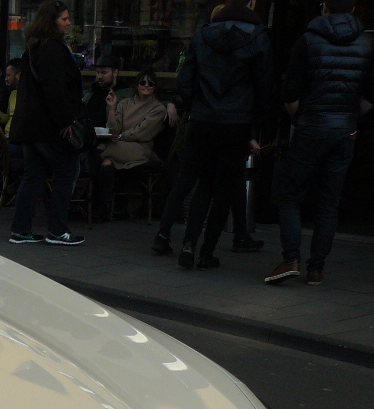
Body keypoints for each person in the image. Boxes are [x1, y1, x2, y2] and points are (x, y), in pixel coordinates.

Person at [265, 0, 374, 287]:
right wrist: (350, 117)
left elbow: (290, 92)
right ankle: (316, 269)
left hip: (311, 126)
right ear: (354, 9)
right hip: (344, 131)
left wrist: (300, 118)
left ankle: (291, 259)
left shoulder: (308, 41)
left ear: (324, 7)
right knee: (329, 202)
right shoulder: (367, 43)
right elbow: (372, 94)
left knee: (290, 196)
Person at [174, 0, 274, 271]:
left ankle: (188, 244)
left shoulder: (202, 35)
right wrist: (257, 125)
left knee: (203, 185)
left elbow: (185, 80)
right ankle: (207, 252)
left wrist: (195, 106)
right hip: (236, 122)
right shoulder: (257, 38)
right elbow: (264, 85)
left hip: (203, 119)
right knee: (223, 189)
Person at [8, 0, 86, 246]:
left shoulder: (33, 47)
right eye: (64, 19)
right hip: (48, 126)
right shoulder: (53, 48)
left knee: (33, 176)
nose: (68, 22)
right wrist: (65, 120)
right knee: (67, 172)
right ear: (52, 22)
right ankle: (57, 230)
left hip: (30, 126)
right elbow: (55, 89)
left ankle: (20, 230)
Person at [93, 68, 169, 218]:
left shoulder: (158, 108)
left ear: (155, 87)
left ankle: (98, 205)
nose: (146, 85)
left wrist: (119, 136)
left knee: (97, 152)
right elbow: (114, 129)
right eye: (142, 82)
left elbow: (142, 133)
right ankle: (104, 206)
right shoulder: (125, 103)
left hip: (140, 148)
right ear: (137, 85)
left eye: (150, 83)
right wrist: (112, 108)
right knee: (106, 163)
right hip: (120, 145)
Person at [83, 59, 120, 129]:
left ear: (115, 73)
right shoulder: (90, 93)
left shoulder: (123, 95)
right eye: (97, 72)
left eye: (104, 73)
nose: (99, 76)